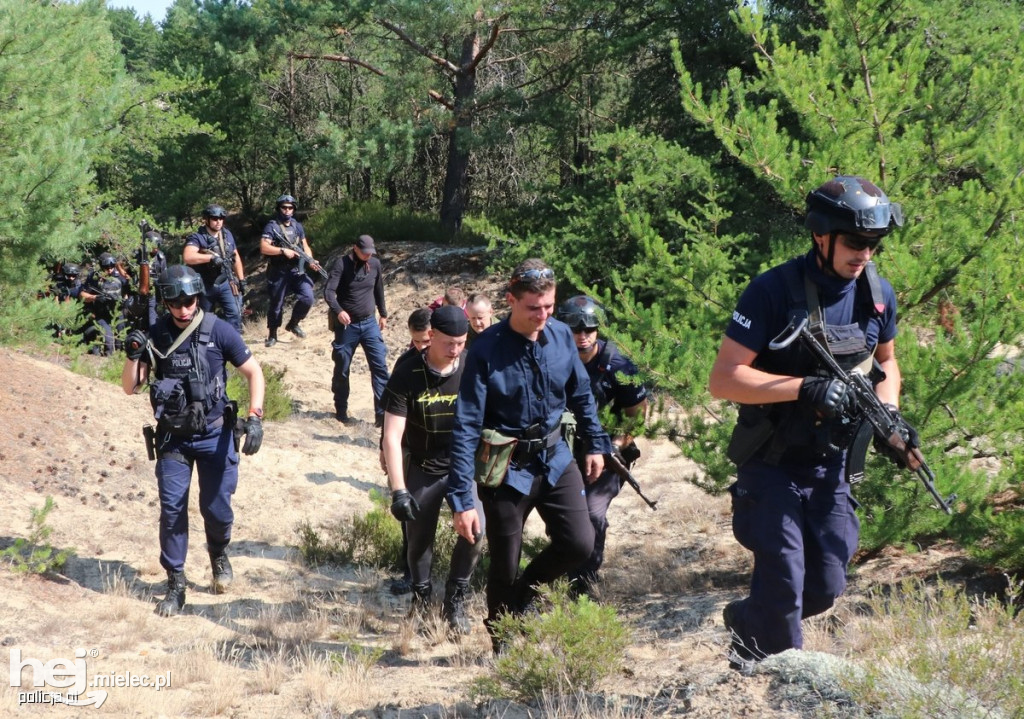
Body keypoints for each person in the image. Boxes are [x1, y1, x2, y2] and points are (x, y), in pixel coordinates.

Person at [708, 176, 904, 666]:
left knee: (825, 585)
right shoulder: (771, 291)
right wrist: (803, 387)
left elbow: (888, 363)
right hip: (771, 462)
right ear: (821, 235)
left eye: (874, 244)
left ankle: (746, 620)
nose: (865, 254)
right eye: (856, 242)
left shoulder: (876, 294)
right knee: (783, 580)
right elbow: (724, 379)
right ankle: (777, 679)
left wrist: (890, 415)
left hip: (830, 463)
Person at [446, 258, 612, 650]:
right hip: (506, 469)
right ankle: (502, 641)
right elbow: (467, 423)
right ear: (512, 301)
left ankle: (521, 598)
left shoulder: (559, 336)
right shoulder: (485, 349)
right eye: (533, 307)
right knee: (504, 562)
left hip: (555, 458)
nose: (543, 316)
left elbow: (582, 393)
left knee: (579, 544)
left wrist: (596, 443)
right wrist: (462, 498)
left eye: (549, 307)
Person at [121, 265, 265, 617]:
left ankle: (218, 553)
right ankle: (176, 581)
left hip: (215, 434)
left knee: (216, 507)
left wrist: (256, 417)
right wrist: (133, 352)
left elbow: (253, 372)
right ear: (166, 302)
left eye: (189, 301)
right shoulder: (156, 334)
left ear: (198, 297)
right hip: (173, 437)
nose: (184, 309)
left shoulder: (219, 330)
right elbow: (131, 386)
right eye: (176, 302)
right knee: (172, 509)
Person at [382, 306, 484, 634]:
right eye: (448, 342)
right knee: (418, 540)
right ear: (431, 336)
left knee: (474, 533)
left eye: (461, 342)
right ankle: (422, 600)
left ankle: (455, 601)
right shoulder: (408, 371)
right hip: (423, 467)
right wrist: (398, 490)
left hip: (462, 469)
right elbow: (392, 436)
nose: (455, 349)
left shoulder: (473, 365)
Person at [557, 295, 649, 598]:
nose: (583, 337)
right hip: (562, 450)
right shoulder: (552, 360)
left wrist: (616, 442)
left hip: (608, 453)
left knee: (593, 513)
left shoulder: (618, 364)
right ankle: (567, 566)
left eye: (590, 330)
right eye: (575, 330)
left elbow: (638, 415)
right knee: (563, 516)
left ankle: (583, 581)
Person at [382, 306, 433, 596]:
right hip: (411, 449)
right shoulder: (406, 363)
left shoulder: (456, 359)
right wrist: (383, 447)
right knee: (409, 513)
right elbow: (390, 411)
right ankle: (409, 572)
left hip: (448, 452)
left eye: (425, 341)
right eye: (415, 341)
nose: (420, 347)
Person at [324, 234, 389, 427]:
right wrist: (339, 311)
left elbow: (379, 290)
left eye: (371, 253)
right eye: (364, 252)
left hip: (369, 323)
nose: (368, 256)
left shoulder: (375, 264)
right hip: (347, 325)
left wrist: (383, 314)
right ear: (355, 248)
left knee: (380, 368)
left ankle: (381, 416)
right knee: (342, 368)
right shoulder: (341, 264)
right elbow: (328, 292)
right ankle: (341, 411)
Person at [260, 194, 322, 347]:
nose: (287, 210)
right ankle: (273, 334)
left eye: (290, 208)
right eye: (284, 207)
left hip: (296, 269)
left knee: (307, 297)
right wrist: (282, 251)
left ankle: (293, 323)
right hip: (278, 271)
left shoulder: (297, 226)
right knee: (276, 304)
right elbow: (264, 247)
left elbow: (305, 245)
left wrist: (311, 260)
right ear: (279, 208)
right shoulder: (272, 226)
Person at [184, 205, 246, 332]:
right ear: (206, 219)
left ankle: (232, 343)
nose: (218, 221)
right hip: (205, 284)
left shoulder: (227, 234)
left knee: (234, 313)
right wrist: (210, 258)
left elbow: (235, 257)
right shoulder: (198, 237)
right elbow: (188, 256)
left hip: (225, 281)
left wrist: (241, 279)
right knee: (203, 318)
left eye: (221, 218)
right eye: (214, 218)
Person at [80, 252, 130, 356]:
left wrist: (125, 300)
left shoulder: (119, 275)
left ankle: (118, 363)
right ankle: (106, 361)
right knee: (109, 341)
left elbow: (129, 286)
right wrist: (96, 297)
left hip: (118, 312)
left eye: (112, 266)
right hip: (102, 314)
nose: (110, 269)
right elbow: (82, 295)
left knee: (121, 340)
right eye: (107, 267)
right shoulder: (94, 277)